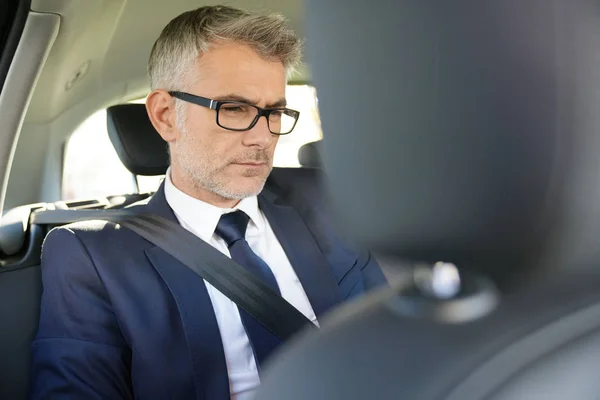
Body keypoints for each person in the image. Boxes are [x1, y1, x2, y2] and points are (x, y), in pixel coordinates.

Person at [29, 5, 387, 399]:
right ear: (166, 116)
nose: (262, 138)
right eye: (234, 108)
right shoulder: (91, 254)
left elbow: (390, 342)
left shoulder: (326, 198)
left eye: (275, 112)